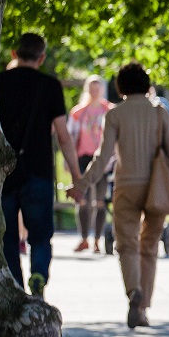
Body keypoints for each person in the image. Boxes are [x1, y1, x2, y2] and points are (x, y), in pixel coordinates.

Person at [79, 63, 169, 330]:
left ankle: (133, 292)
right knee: (150, 245)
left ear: (121, 87)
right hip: (157, 187)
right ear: (147, 84)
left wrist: (83, 183)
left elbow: (103, 158)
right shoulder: (159, 113)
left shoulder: (115, 114)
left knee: (127, 244)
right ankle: (144, 306)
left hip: (126, 185)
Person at [0, 32, 82, 297]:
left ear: (14, 53)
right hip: (39, 171)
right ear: (42, 57)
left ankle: (15, 290)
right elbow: (63, 136)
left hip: (4, 172)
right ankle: (39, 276)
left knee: (7, 237)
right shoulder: (50, 85)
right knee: (40, 235)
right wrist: (77, 178)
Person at [67, 75, 111, 254]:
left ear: (102, 90)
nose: (94, 92)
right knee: (82, 200)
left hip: (102, 159)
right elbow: (70, 137)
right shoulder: (79, 112)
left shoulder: (109, 110)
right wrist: (68, 161)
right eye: (91, 89)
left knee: (100, 201)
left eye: (97, 88)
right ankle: (84, 238)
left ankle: (97, 241)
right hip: (83, 157)